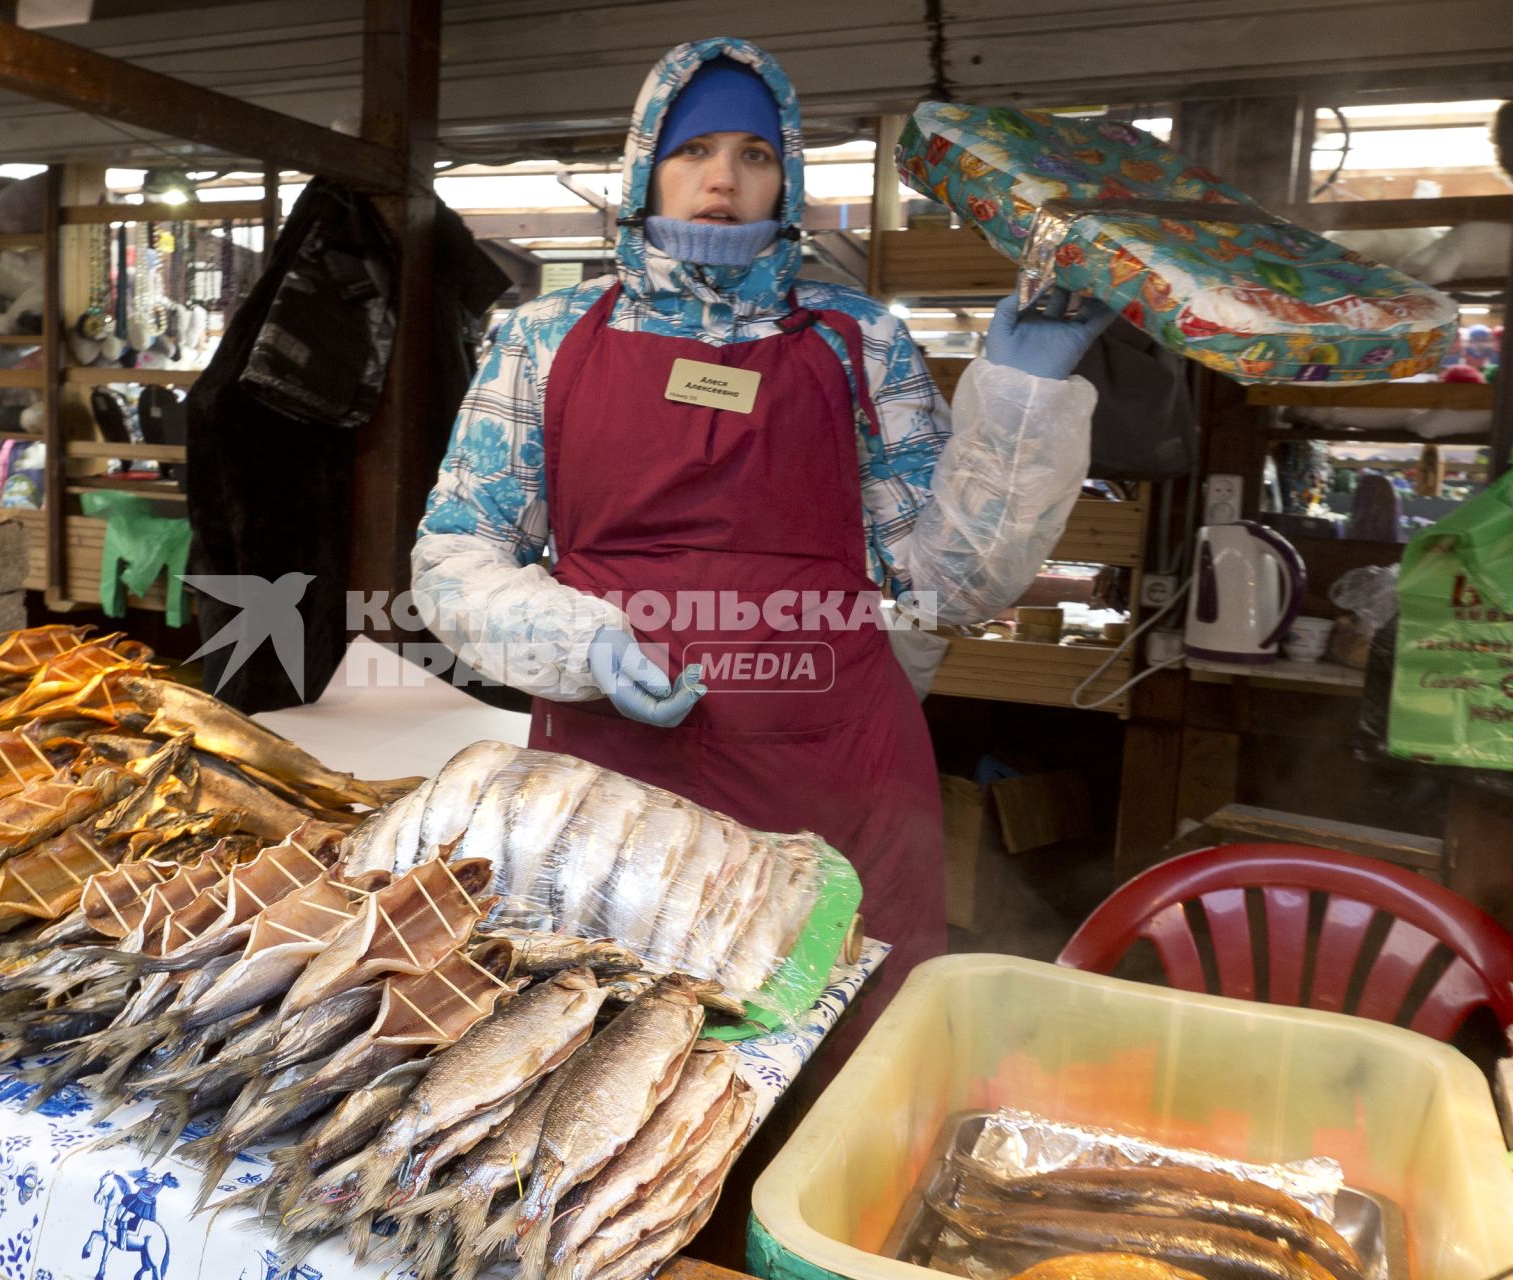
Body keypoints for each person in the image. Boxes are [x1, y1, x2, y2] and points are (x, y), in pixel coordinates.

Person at [413, 38, 1111, 1014]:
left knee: (828, 1069)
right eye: (694, 152)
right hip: (616, 789)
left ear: (786, 178)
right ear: (645, 165)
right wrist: (589, 644)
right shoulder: (543, 337)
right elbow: (456, 558)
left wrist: (1024, 395)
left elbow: (955, 580)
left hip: (838, 782)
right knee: (613, 1057)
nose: (723, 178)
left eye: (755, 154)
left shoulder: (858, 339)